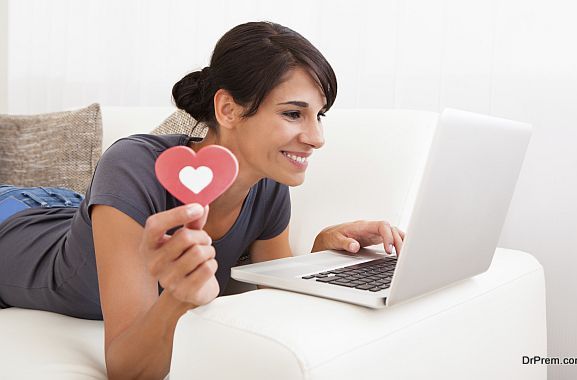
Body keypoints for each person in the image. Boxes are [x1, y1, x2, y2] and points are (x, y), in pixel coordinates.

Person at [0, 21, 405, 378]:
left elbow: (266, 302)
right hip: (15, 220)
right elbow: (128, 370)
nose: (317, 138)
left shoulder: (269, 185)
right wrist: (176, 300)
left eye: (319, 116)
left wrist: (320, 254)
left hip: (64, 206)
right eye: (293, 114)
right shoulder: (132, 165)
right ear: (228, 109)